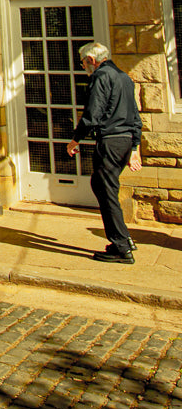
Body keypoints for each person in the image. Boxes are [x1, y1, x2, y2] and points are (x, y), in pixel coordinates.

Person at [66, 41, 142, 264]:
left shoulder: (100, 77)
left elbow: (93, 113)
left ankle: (120, 246)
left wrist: (75, 139)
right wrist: (135, 147)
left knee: (105, 190)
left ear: (91, 60)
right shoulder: (124, 77)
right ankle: (124, 239)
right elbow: (136, 117)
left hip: (110, 141)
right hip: (125, 141)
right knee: (103, 186)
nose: (84, 67)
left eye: (83, 63)